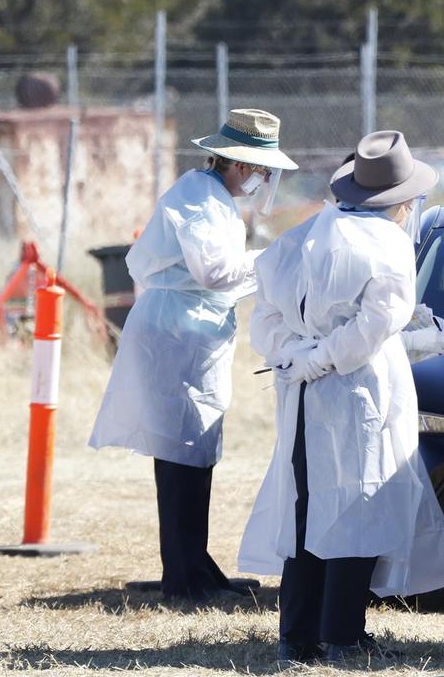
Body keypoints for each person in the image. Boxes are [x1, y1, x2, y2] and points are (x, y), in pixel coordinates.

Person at [238, 130, 444, 663]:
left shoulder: (298, 238)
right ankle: (340, 633)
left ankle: (298, 635)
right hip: (357, 393)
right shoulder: (386, 243)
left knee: (307, 508)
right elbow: (376, 326)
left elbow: (264, 320)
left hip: (302, 396)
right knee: (360, 506)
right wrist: (322, 358)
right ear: (403, 201)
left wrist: (295, 356)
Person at [88, 108, 298, 601]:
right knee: (183, 454)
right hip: (178, 333)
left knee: (191, 453)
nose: (263, 180)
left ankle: (193, 567)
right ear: (242, 165)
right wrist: (276, 260)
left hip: (187, 329)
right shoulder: (202, 200)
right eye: (263, 171)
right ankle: (185, 578)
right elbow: (215, 273)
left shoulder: (208, 194)